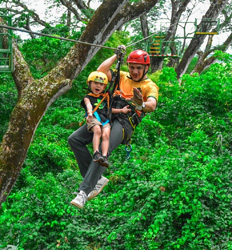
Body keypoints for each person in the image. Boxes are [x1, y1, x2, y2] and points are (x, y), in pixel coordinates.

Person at [68, 47, 159, 209]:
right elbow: (100, 71)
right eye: (132, 67)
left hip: (124, 122)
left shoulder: (149, 86)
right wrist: (116, 56)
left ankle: (83, 192)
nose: (135, 71)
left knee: (105, 148)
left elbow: (152, 105)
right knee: (75, 139)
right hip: (107, 115)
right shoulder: (121, 76)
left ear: (146, 68)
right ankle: (96, 180)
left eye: (139, 68)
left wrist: (141, 103)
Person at [81, 71, 111, 168]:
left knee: (106, 134)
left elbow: (109, 109)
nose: (98, 86)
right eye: (95, 83)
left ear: (104, 87)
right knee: (97, 129)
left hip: (104, 118)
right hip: (93, 117)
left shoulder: (105, 97)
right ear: (89, 84)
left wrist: (121, 110)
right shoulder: (87, 97)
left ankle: (105, 156)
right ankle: (96, 153)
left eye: (101, 84)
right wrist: (89, 113)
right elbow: (89, 105)